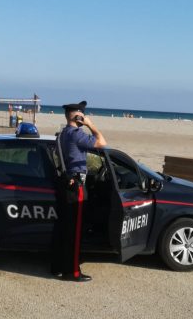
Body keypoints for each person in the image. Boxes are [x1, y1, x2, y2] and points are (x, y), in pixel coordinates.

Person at [50, 100, 107, 282]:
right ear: (78, 116)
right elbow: (102, 142)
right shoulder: (76, 135)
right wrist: (90, 125)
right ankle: (72, 272)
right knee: (74, 231)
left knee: (63, 228)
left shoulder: (61, 135)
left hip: (64, 183)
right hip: (76, 187)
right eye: (82, 115)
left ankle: (57, 267)